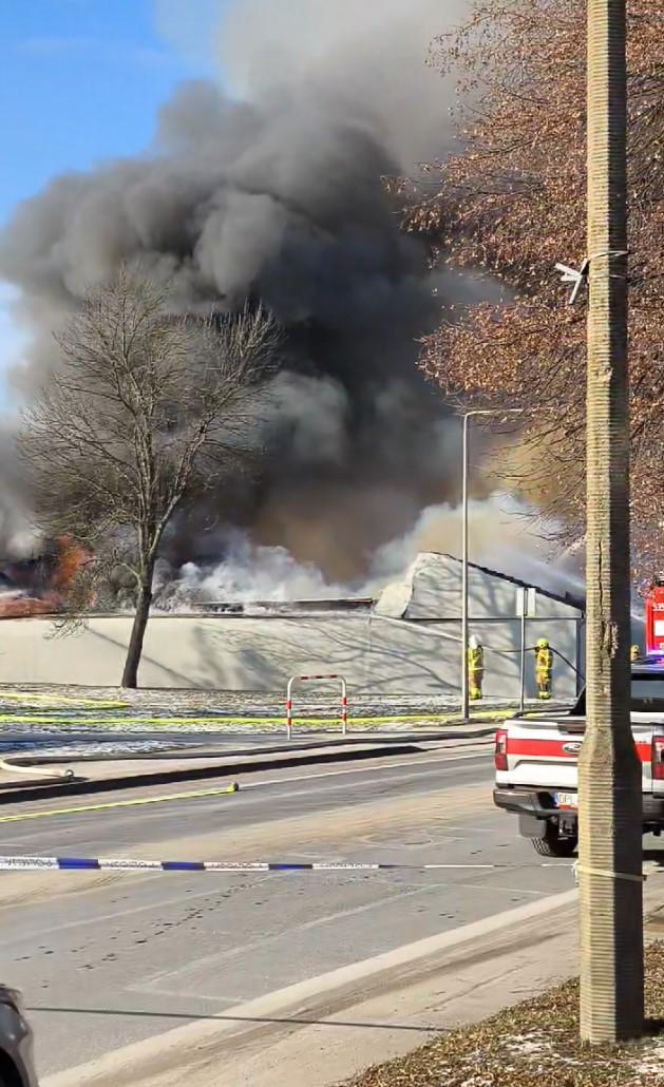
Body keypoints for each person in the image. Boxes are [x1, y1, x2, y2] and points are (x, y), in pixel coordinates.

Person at [467, 635, 484, 701]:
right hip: (480, 668)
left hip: (473, 668)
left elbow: (469, 658)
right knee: (478, 682)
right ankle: (479, 694)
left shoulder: (471, 650)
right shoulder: (480, 650)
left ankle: (474, 695)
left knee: (473, 682)